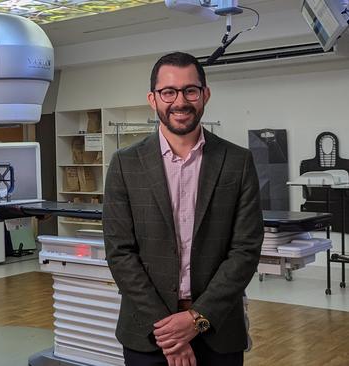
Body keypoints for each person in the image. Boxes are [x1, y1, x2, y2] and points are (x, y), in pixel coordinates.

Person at [103, 51, 263, 366]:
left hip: (217, 330)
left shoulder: (237, 162)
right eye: (168, 92)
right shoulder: (125, 164)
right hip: (149, 334)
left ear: (205, 94)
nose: (180, 101)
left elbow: (245, 250)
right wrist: (169, 332)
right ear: (153, 98)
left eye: (190, 90)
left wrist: (196, 318)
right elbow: (120, 252)